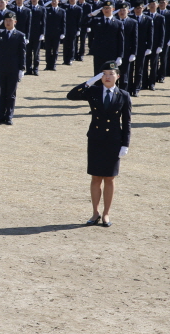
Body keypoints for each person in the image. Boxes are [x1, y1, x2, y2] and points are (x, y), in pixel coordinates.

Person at [66, 60, 131, 227]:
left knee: (109, 178)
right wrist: (89, 82)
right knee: (96, 178)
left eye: (111, 74)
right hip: (96, 139)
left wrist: (125, 144)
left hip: (113, 141)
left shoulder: (123, 95)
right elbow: (71, 95)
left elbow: (127, 122)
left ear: (118, 76)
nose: (107, 77)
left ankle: (106, 213)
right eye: (104, 74)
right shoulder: (93, 91)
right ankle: (95, 213)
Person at [0, 11, 26, 125]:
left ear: (15, 22)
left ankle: (9, 116)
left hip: (13, 68)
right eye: (6, 20)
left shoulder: (20, 35)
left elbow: (22, 53)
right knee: (0, 93)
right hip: (0, 68)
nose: (7, 23)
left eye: (10, 21)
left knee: (11, 94)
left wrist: (21, 69)